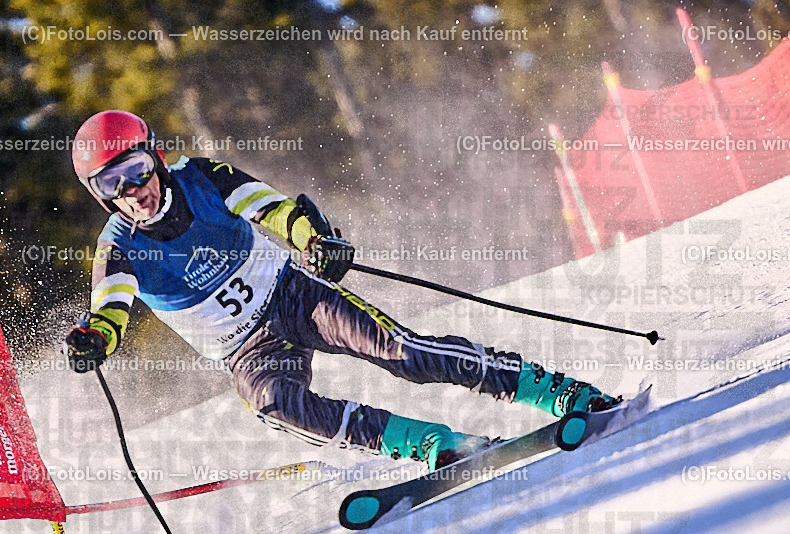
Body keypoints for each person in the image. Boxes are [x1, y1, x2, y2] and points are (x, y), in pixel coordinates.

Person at [64, 111, 619, 472]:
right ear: (99, 194)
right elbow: (110, 308)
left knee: (404, 353)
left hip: (292, 297)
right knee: (276, 407)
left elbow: (274, 209)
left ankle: (556, 392)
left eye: (136, 169)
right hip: (247, 351)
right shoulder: (118, 246)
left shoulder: (199, 177)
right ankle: (432, 443)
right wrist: (96, 339)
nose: (132, 190)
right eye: (111, 183)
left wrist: (315, 241)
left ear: (156, 158)